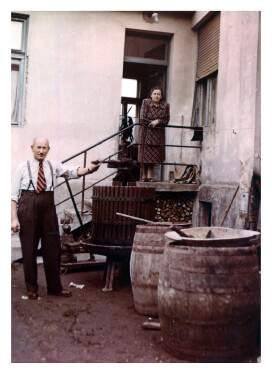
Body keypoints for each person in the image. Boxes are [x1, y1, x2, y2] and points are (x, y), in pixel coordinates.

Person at [11, 137, 102, 300]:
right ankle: (32, 288)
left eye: (44, 148)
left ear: (48, 149)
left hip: (48, 207)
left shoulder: (53, 166)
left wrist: (90, 169)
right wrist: (13, 219)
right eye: (38, 147)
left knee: (52, 248)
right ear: (31, 148)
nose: (41, 151)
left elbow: (73, 172)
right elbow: (12, 196)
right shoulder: (21, 168)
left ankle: (55, 287)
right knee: (29, 249)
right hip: (28, 206)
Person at [138, 87, 170, 182]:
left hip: (157, 134)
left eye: (158, 94)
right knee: (144, 154)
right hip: (146, 132)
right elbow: (142, 118)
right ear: (151, 95)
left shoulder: (165, 105)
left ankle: (150, 176)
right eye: (155, 94)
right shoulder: (146, 103)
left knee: (153, 155)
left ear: (161, 96)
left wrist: (158, 121)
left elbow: (166, 120)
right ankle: (144, 176)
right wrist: (152, 122)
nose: (156, 96)